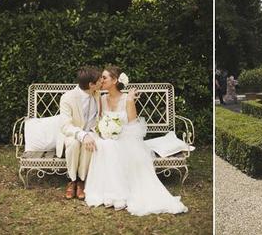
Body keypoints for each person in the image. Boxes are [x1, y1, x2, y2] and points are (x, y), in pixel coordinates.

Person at [84, 66, 188, 215]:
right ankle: (108, 192)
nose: (101, 80)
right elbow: (100, 120)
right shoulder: (101, 98)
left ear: (114, 81)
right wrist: (104, 131)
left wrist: (117, 133)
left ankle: (118, 195)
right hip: (108, 138)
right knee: (104, 144)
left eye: (105, 77)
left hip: (125, 138)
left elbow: (133, 127)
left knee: (112, 146)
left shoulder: (127, 99)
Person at [57, 66, 103, 200]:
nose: (101, 83)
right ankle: (72, 180)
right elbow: (65, 126)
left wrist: (92, 133)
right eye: (99, 81)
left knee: (90, 143)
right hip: (72, 134)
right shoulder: (68, 98)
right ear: (91, 85)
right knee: (74, 143)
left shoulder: (97, 94)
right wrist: (82, 135)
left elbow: (98, 118)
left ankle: (82, 180)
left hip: (91, 133)